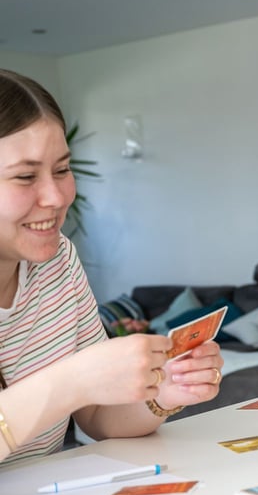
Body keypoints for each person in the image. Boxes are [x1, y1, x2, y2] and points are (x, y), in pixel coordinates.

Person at [0, 70, 223, 468]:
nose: (55, 197)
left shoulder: (59, 263)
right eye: (25, 177)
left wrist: (162, 392)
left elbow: (98, 418)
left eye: (62, 170)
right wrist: (73, 380)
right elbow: (77, 388)